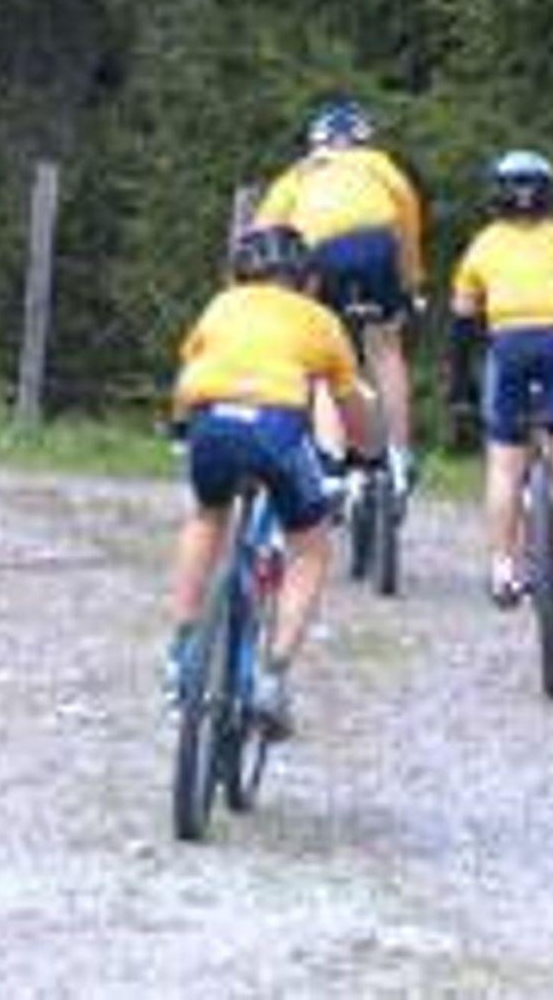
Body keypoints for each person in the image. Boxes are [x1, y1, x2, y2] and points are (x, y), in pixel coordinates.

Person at [166, 224, 384, 738]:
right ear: (308, 281)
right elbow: (350, 407)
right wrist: (369, 455)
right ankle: (273, 676)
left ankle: (181, 649)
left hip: (211, 421)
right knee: (310, 549)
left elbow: (189, 370)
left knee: (207, 516)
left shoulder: (220, 306)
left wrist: (180, 430)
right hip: (275, 427)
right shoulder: (319, 320)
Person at [449, 149, 553, 608]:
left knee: (505, 464)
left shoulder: (483, 244)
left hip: (507, 346)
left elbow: (462, 322)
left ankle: (503, 569)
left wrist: (460, 384)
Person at [253, 98, 427, 481]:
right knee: (385, 347)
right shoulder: (379, 164)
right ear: (364, 140)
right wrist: (411, 281)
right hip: (377, 245)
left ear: (316, 142)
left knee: (321, 357)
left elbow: (263, 232)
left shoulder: (300, 172)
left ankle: (329, 459)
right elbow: (408, 220)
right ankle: (400, 454)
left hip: (319, 252)